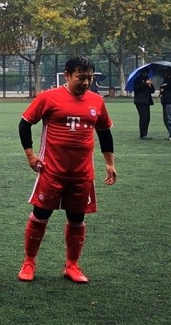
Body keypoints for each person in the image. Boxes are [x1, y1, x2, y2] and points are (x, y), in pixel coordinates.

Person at [18, 55, 117, 283]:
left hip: (82, 174)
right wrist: (30, 155)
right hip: (51, 171)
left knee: (77, 218)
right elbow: (25, 123)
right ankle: (29, 262)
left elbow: (104, 133)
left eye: (89, 78)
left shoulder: (96, 101)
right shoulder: (49, 97)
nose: (86, 82)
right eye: (80, 78)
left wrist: (110, 163)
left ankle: (72, 265)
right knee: (40, 215)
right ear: (67, 76)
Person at [132, 71, 154, 140]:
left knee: (147, 118)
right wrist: (145, 83)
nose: (146, 74)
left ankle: (145, 134)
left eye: (146, 73)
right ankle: (143, 135)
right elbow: (137, 88)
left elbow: (152, 91)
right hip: (140, 102)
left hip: (147, 102)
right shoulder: (137, 80)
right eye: (144, 73)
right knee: (143, 118)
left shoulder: (148, 80)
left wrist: (150, 85)